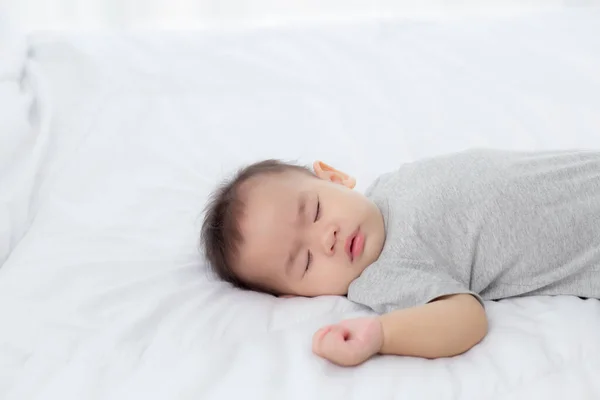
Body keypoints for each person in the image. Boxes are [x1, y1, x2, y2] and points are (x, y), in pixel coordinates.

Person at [200, 149, 600, 366]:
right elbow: (464, 317)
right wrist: (380, 335)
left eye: (316, 211)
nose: (328, 239)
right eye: (304, 263)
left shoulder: (390, 184)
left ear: (334, 177)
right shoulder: (382, 276)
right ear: (295, 296)